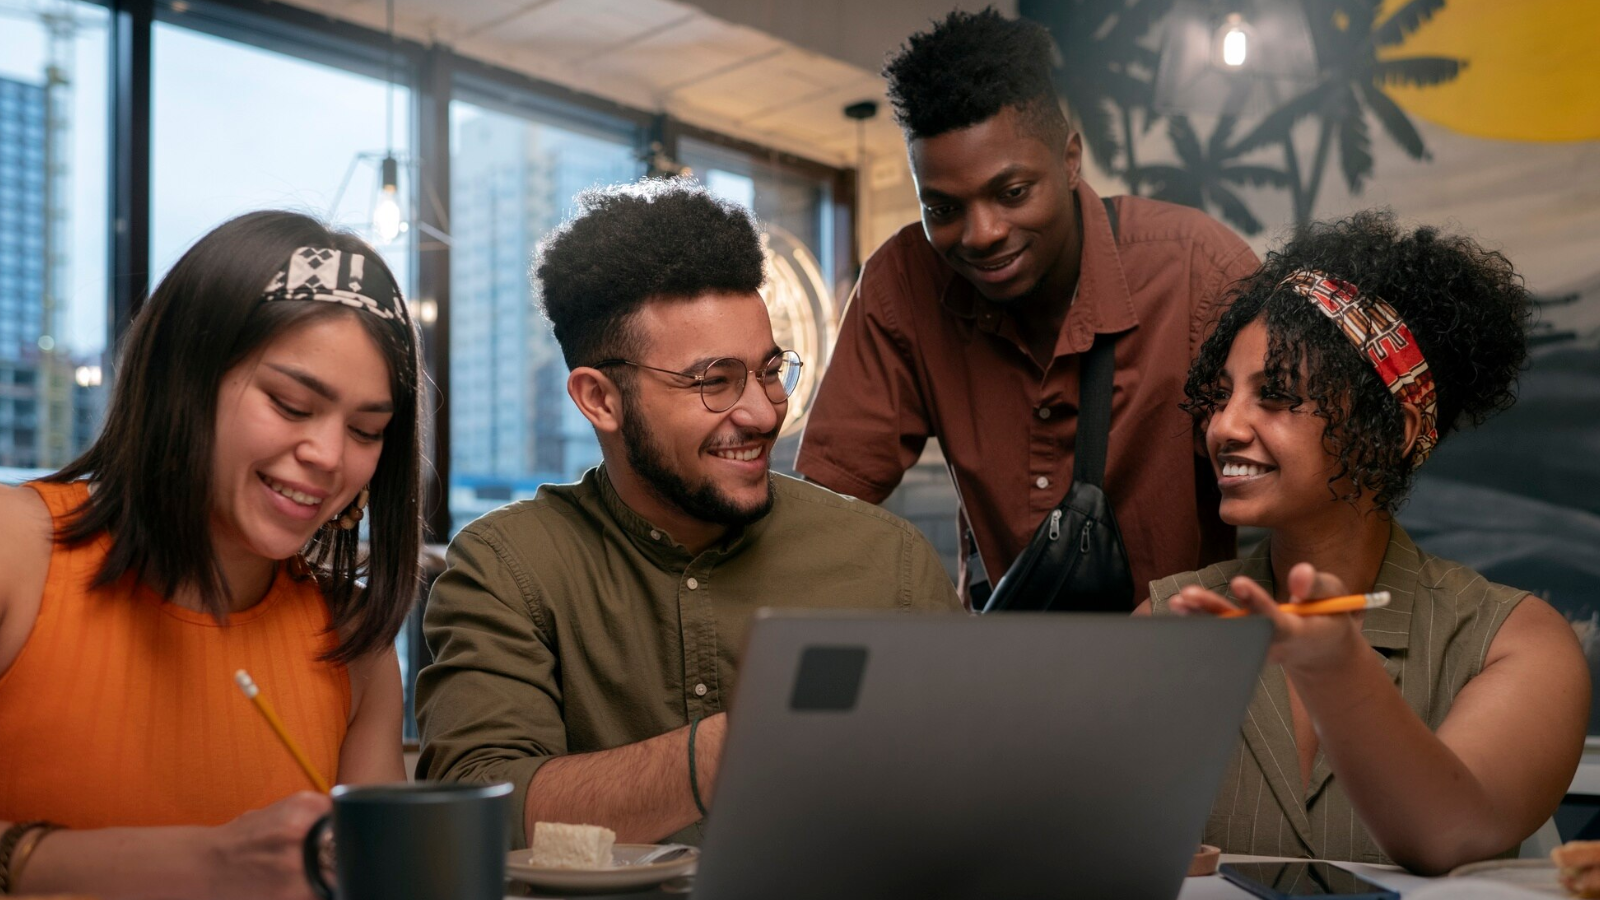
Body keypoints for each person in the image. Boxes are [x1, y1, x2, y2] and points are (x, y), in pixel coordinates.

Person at [415, 178, 962, 849]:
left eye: (768, 371)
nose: (764, 413)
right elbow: (474, 813)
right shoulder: (507, 569)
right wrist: (759, 735)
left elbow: (976, 802)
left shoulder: (889, 564)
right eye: (714, 381)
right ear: (600, 400)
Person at [1143, 211, 1588, 873]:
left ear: (1397, 431)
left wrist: (1335, 671)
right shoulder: (1168, 622)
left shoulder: (1512, 641)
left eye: (1276, 395)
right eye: (1223, 394)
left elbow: (1449, 834)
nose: (1223, 427)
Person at [0, 211, 423, 899]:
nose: (329, 456)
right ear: (183, 380)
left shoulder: (352, 642)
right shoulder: (17, 550)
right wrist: (201, 864)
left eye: (366, 430)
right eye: (290, 406)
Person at [796, 8, 1260, 607]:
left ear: (1070, 159)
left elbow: (1312, 491)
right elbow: (827, 515)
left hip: (1183, 668)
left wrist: (1185, 599)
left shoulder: (1200, 270)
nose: (981, 233)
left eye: (1012, 193)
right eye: (942, 209)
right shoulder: (903, 283)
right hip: (1002, 676)